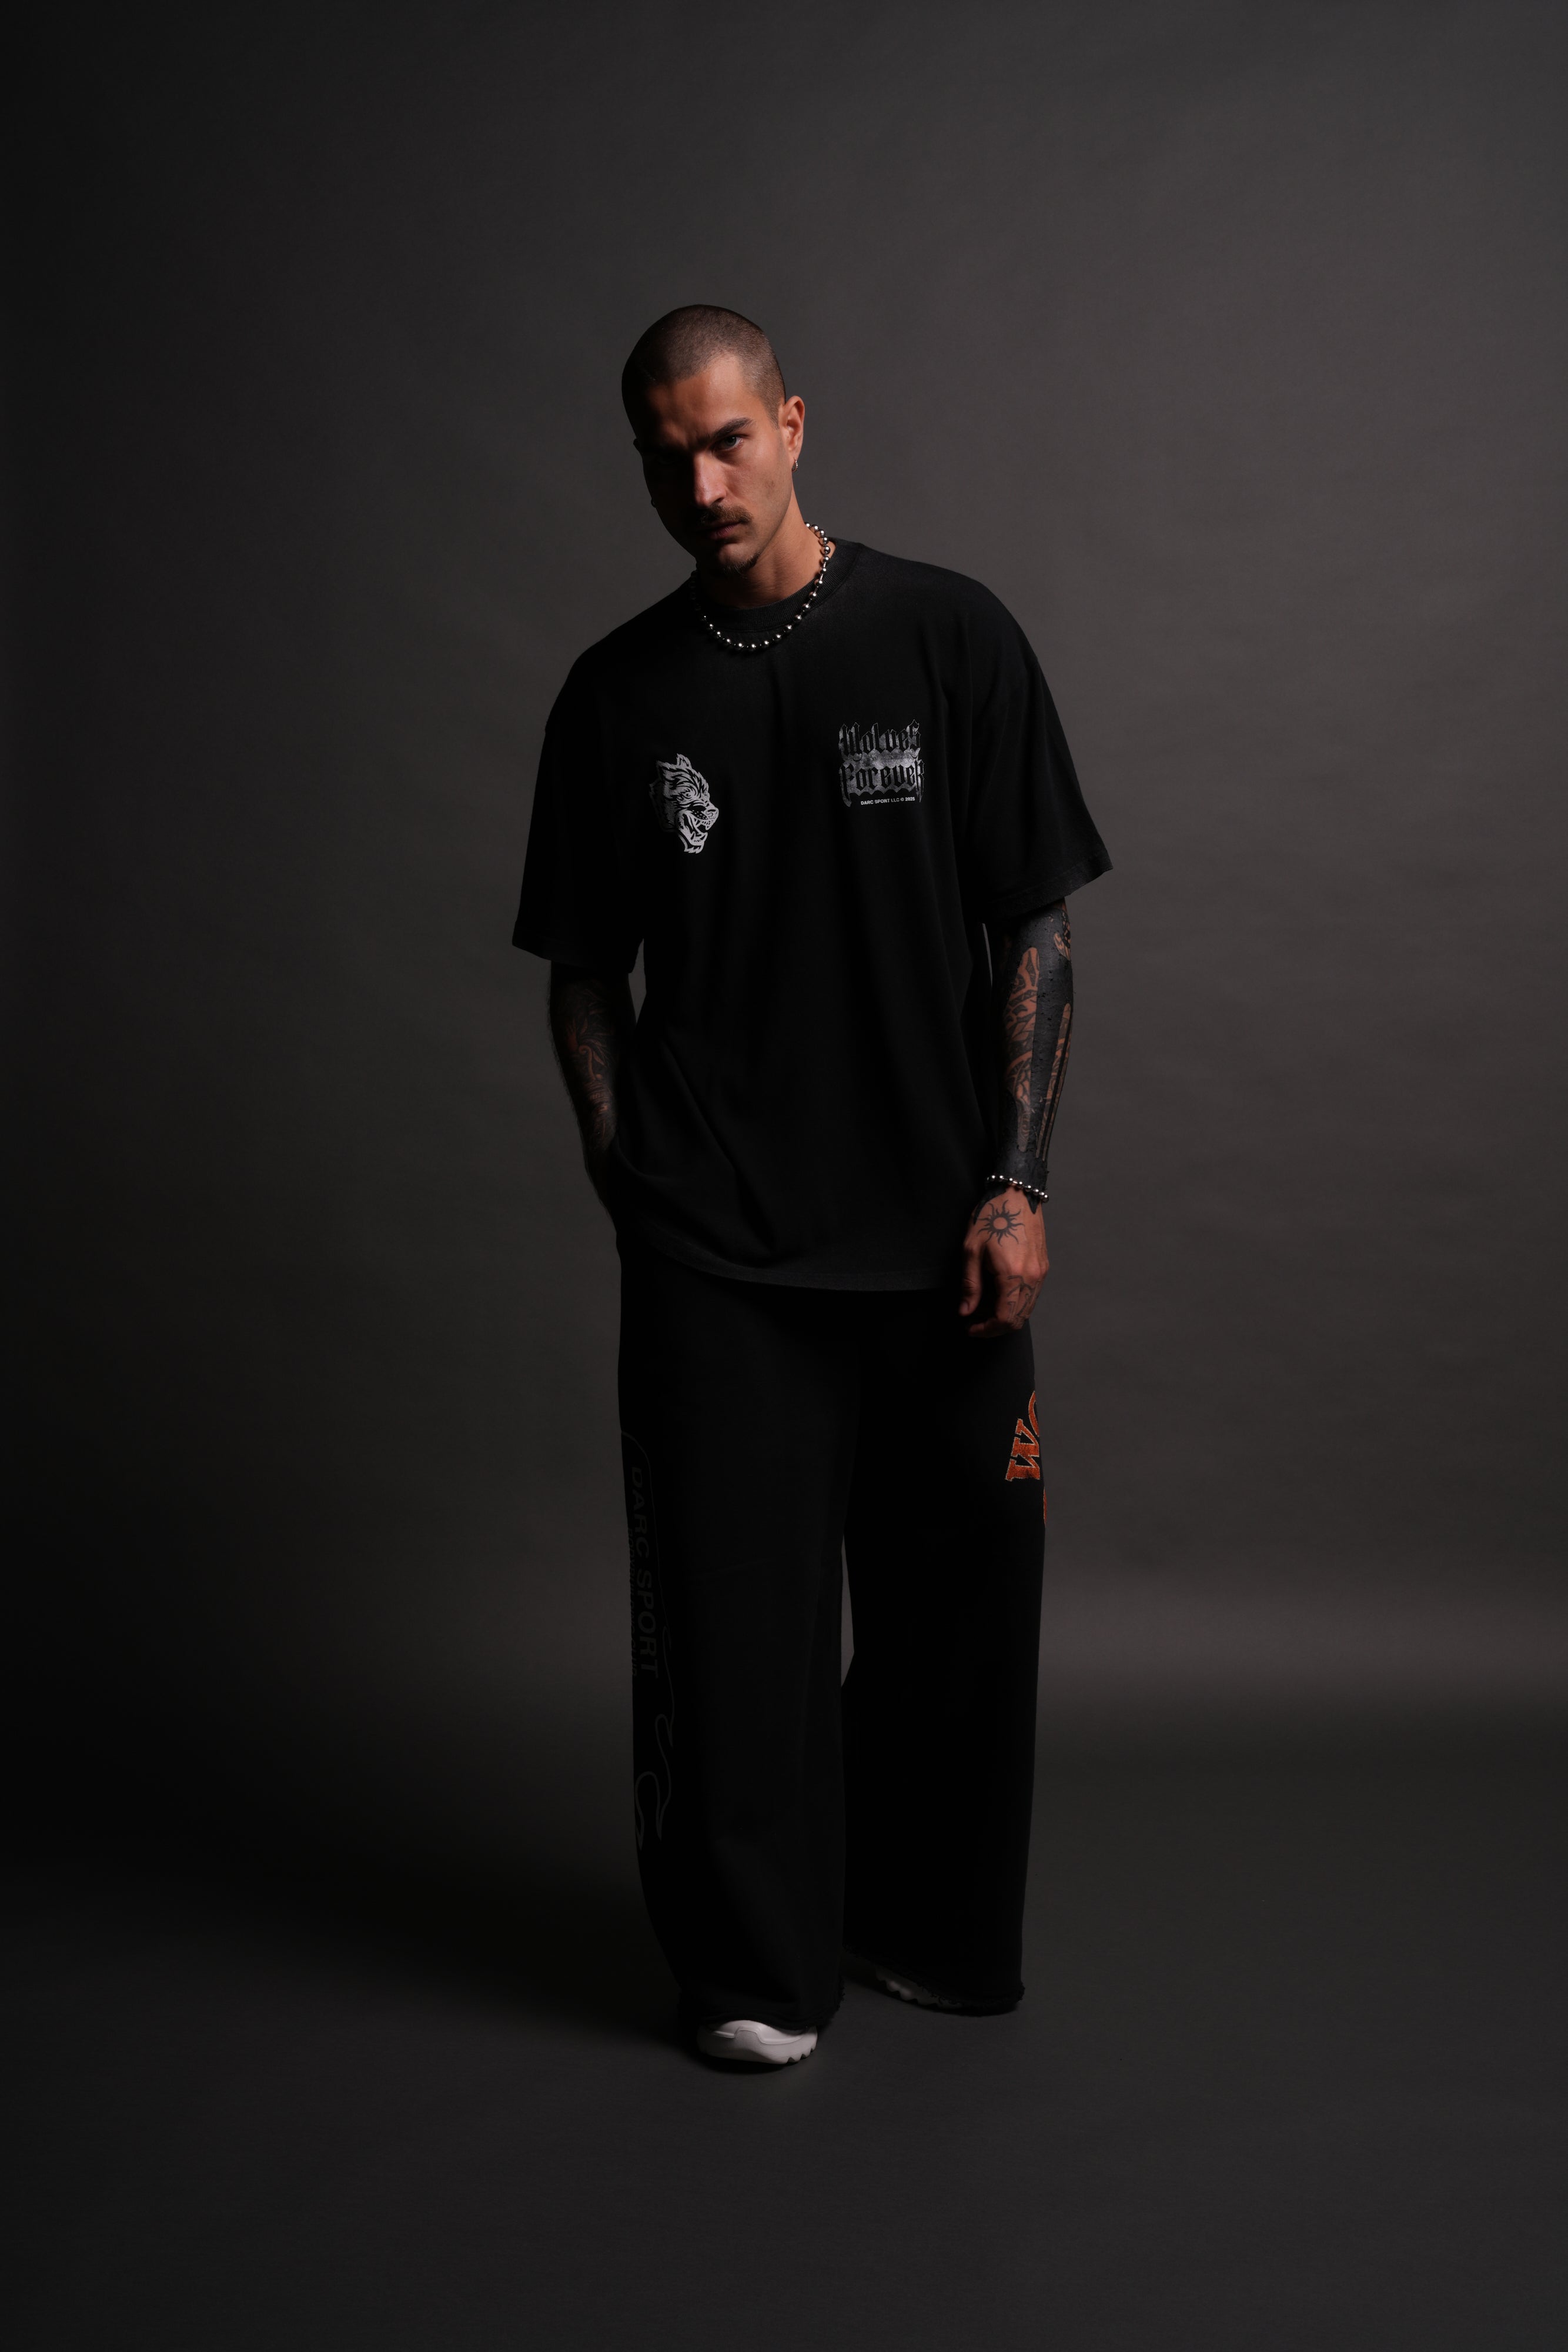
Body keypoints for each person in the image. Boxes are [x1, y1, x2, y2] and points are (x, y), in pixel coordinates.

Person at [514, 305, 1109, 2068]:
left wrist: (1016, 1181)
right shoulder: (617, 695)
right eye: (665, 458)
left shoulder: (947, 634)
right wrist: (628, 1175)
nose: (702, 484)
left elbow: (1034, 928)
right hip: (722, 1250)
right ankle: (755, 1967)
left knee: (963, 1615)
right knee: (736, 1633)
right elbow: (579, 972)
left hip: (942, 1239)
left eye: (728, 440)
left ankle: (924, 1926)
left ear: (791, 423)